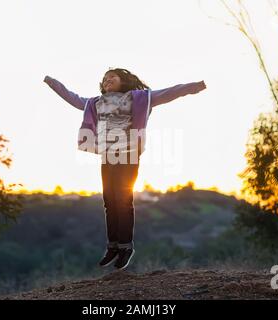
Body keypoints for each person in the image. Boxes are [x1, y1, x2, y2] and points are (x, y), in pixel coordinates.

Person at [44, 68, 206, 270]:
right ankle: (112, 246)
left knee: (123, 200)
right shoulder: (96, 103)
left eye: (112, 77)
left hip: (128, 153)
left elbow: (169, 93)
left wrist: (194, 87)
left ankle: (126, 247)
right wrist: (52, 82)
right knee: (109, 201)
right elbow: (73, 98)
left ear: (124, 81)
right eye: (104, 79)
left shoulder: (138, 98)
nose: (107, 80)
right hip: (108, 154)